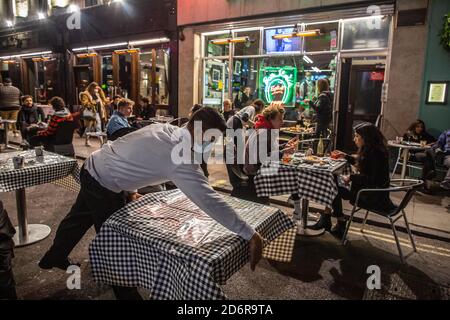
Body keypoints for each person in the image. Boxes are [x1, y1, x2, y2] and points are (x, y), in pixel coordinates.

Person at [38, 107, 263, 300]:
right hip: (103, 181)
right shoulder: (181, 153)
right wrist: (248, 233)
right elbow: (208, 198)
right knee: (116, 240)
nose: (211, 146)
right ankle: (127, 294)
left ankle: (54, 256)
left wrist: (131, 190)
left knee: (79, 218)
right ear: (200, 131)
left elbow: (132, 150)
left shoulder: (170, 130)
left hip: (96, 166)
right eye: (212, 139)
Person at [311, 123, 395, 238]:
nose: (354, 139)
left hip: (372, 196)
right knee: (333, 180)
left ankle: (335, 219)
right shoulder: (373, 150)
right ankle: (331, 218)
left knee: (332, 187)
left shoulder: (376, 154)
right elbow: (366, 166)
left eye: (356, 136)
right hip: (370, 191)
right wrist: (346, 156)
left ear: (366, 138)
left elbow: (374, 180)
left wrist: (351, 177)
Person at [236, 105, 297, 204]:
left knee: (293, 174)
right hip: (255, 175)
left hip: (259, 170)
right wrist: (283, 152)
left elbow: (269, 149)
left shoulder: (266, 129)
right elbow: (262, 157)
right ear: (270, 119)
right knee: (295, 175)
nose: (282, 122)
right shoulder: (264, 132)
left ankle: (294, 200)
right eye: (280, 119)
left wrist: (284, 146)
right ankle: (295, 201)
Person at [403, 120, 437, 191]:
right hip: (410, 154)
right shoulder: (409, 134)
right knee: (427, 156)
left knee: (428, 154)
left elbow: (435, 141)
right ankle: (430, 175)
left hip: (422, 154)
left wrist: (428, 145)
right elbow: (403, 142)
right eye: (418, 127)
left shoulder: (424, 134)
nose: (420, 128)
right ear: (414, 127)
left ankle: (423, 180)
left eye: (421, 127)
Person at [80, 82, 107, 146]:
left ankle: (102, 143)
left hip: (97, 113)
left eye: (97, 88)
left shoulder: (97, 94)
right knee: (88, 128)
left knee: (98, 128)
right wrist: (94, 102)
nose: (96, 90)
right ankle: (87, 141)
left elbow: (103, 100)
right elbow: (85, 104)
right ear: (91, 87)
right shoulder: (85, 94)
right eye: (95, 88)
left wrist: (100, 91)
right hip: (90, 113)